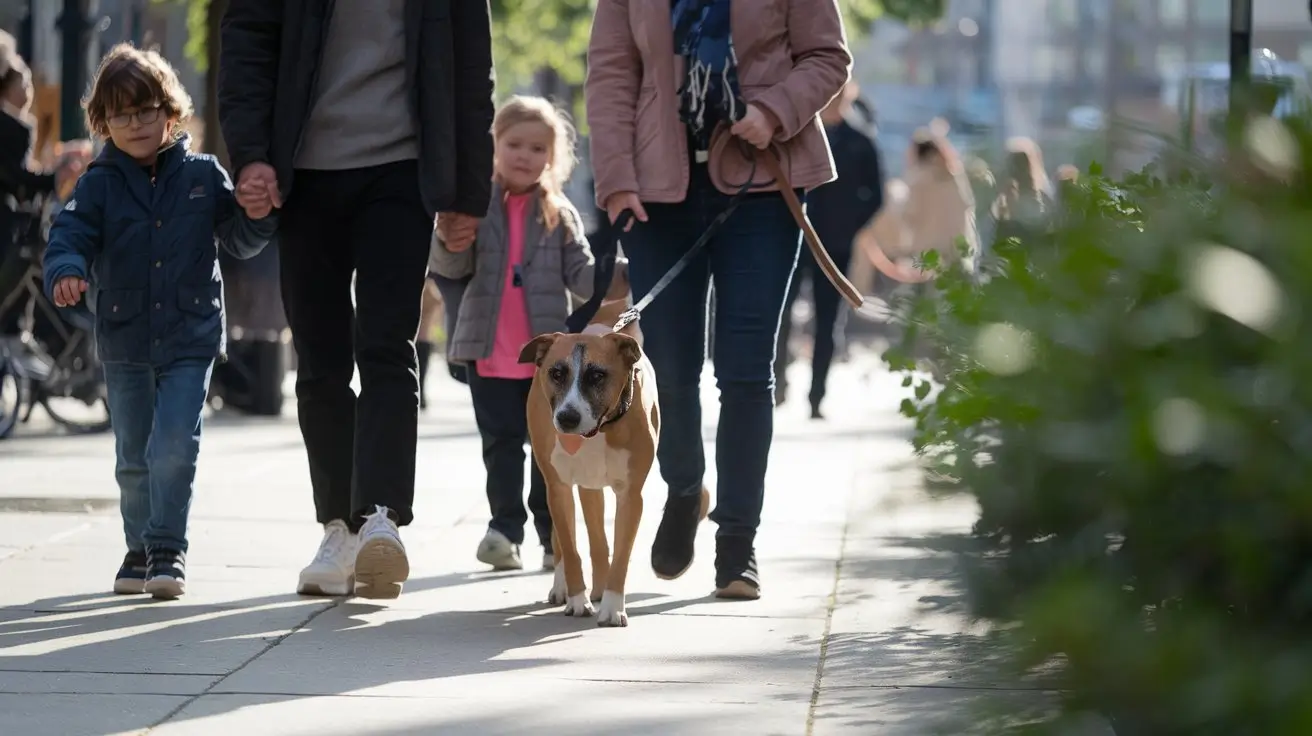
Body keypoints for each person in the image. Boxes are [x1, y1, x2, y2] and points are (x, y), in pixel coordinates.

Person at [218, 0, 495, 599]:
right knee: (319, 360)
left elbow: (473, 71)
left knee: (387, 344)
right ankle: (337, 529)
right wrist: (250, 154)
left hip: (402, 169)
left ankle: (380, 522)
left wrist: (467, 192)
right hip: (304, 173)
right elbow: (246, 42)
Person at [586, 0, 851, 600]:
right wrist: (616, 179)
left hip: (762, 183)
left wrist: (774, 109)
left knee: (746, 372)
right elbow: (610, 73)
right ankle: (684, 490)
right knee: (672, 371)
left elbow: (827, 57)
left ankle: (737, 545)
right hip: (657, 192)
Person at [42, 44, 276, 599]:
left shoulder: (201, 176)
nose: (136, 124)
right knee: (133, 454)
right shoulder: (97, 184)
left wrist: (258, 214)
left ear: (169, 111)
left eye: (146, 109)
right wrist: (68, 270)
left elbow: (238, 240)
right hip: (124, 338)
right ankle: (139, 548)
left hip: (190, 334)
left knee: (173, 442)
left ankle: (168, 548)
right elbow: (68, 235)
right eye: (121, 114)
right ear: (103, 122)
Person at [431, 96, 599, 573]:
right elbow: (448, 267)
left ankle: (553, 537)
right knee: (500, 445)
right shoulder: (475, 206)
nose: (525, 156)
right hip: (488, 354)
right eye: (514, 145)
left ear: (553, 157)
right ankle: (505, 529)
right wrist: (447, 238)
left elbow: (582, 277)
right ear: (495, 147)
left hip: (545, 365)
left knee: (549, 450)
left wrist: (614, 273)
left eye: (537, 148)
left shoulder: (559, 214)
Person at [774, 81, 884, 419]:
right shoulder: (802, 134)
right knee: (782, 314)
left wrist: (850, 227)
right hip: (795, 239)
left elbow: (875, 195)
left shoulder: (861, 142)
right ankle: (777, 384)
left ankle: (816, 396)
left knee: (827, 322)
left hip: (835, 244)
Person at [0, 39, 88, 315]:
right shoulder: (9, 126)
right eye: (23, 82)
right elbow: (17, 177)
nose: (29, 88)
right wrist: (54, 177)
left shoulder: (15, 125)